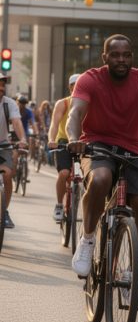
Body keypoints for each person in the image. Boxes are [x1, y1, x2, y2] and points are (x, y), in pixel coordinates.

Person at [67, 34, 138, 308]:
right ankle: (87, 240)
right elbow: (75, 113)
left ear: (132, 57)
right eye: (115, 55)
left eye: (126, 55)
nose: (121, 59)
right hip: (96, 143)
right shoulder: (90, 79)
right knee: (101, 178)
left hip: (135, 147)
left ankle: (131, 274)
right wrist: (74, 138)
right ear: (104, 57)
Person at [48, 74, 81, 221]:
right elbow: (54, 124)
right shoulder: (63, 103)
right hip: (64, 142)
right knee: (64, 173)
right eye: (75, 85)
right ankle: (59, 205)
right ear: (70, 87)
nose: (78, 87)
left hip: (83, 144)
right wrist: (51, 139)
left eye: (81, 84)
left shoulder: (90, 103)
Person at [0, 74, 27, 228]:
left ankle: (4, 211)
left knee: (7, 175)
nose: (1, 88)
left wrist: (22, 139)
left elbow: (16, 122)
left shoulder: (9, 104)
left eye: (3, 85)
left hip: (3, 146)